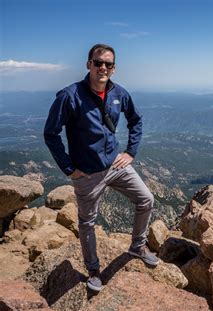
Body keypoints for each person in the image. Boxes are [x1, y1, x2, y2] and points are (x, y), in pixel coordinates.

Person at [44, 43, 159, 292]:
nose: (103, 68)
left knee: (146, 199)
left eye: (108, 64)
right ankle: (93, 270)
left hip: (115, 165)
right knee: (87, 222)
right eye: (98, 63)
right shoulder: (70, 96)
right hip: (86, 173)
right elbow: (51, 133)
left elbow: (136, 120)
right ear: (89, 65)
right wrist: (68, 168)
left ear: (114, 68)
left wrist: (130, 152)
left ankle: (137, 246)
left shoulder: (119, 94)